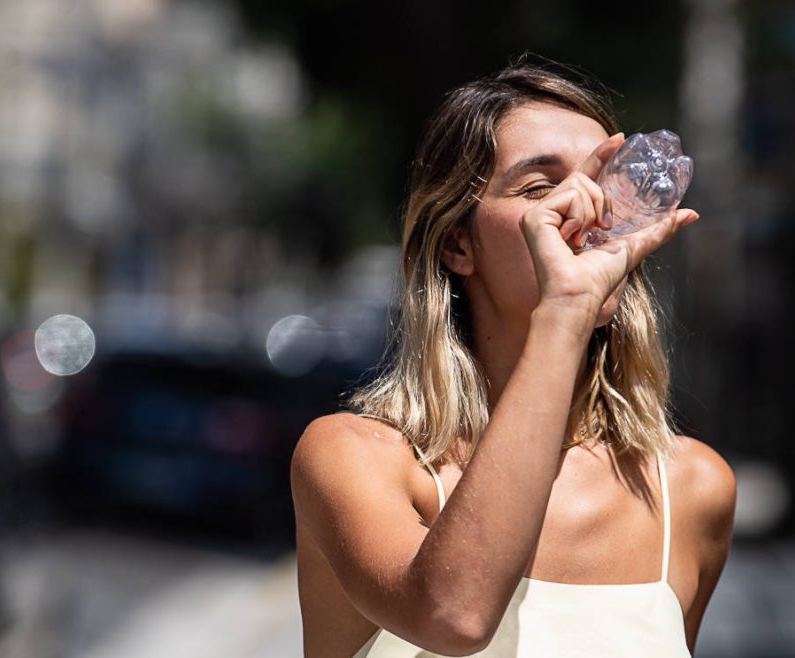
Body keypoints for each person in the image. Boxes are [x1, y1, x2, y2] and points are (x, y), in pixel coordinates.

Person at [291, 60, 736, 658]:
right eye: (540, 188)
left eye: (606, 182)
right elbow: (454, 616)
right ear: (458, 243)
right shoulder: (356, 459)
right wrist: (565, 312)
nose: (587, 211)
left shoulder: (691, 488)